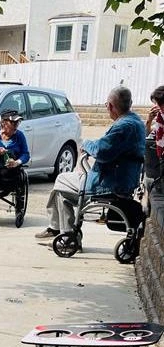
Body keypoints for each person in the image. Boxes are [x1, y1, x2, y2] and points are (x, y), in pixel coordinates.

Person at [35, 86, 145, 239]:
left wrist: (86, 144)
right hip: (122, 177)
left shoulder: (124, 126)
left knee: (61, 182)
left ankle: (65, 234)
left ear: (110, 106)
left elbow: (102, 151)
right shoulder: (136, 121)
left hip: (110, 182)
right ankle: (59, 230)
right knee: (62, 187)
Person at [145, 85, 164, 157]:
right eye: (154, 103)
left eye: (158, 103)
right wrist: (149, 120)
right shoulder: (160, 118)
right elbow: (150, 134)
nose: (156, 106)